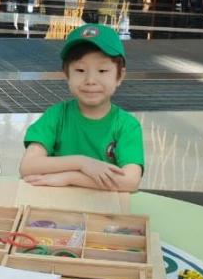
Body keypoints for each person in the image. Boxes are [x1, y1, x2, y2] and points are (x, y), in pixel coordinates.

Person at [19, 24, 144, 192]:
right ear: (67, 74)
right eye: (80, 70)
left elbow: (130, 181)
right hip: (55, 202)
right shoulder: (57, 116)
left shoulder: (127, 126)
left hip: (103, 206)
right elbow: (28, 166)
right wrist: (82, 163)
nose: (90, 80)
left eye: (102, 70)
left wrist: (71, 177)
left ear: (120, 76)